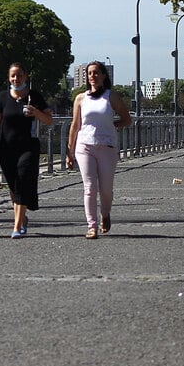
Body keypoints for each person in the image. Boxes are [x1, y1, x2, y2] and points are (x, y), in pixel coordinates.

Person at [0, 62, 53, 238]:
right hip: (6, 148)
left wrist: (36, 112)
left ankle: (17, 226)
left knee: (22, 181)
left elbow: (49, 120)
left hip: (28, 146)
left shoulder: (34, 96)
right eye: (13, 75)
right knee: (14, 186)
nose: (16, 78)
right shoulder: (3, 97)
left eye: (19, 75)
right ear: (9, 77)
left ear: (25, 76)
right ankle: (22, 219)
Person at [66, 61, 132, 239]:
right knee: (89, 187)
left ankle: (105, 213)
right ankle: (91, 226)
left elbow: (127, 120)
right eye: (89, 73)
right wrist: (69, 152)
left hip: (107, 147)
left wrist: (112, 125)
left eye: (96, 73)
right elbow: (75, 125)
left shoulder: (112, 97)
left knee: (106, 189)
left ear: (103, 75)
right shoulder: (80, 98)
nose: (92, 76)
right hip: (84, 145)